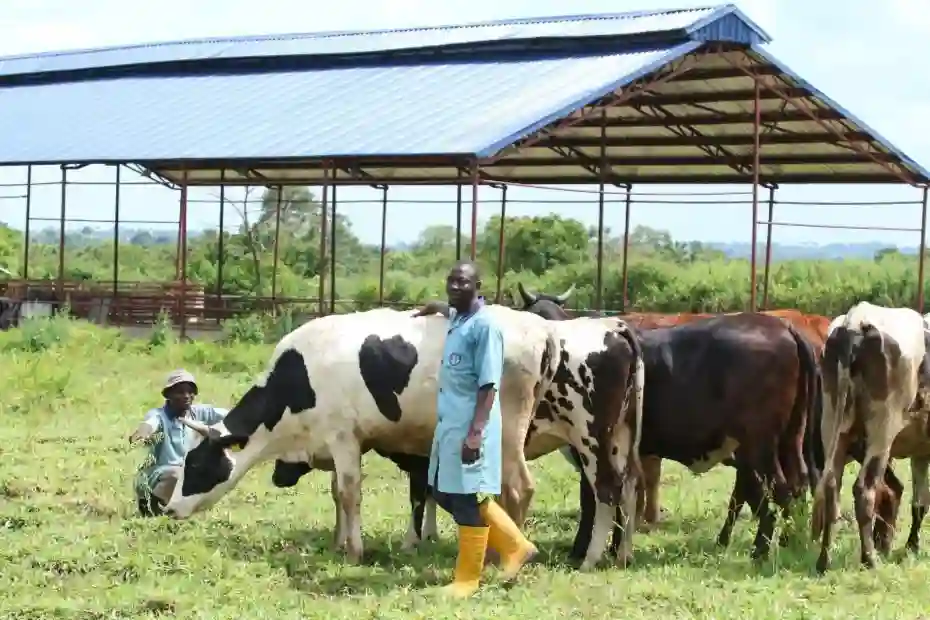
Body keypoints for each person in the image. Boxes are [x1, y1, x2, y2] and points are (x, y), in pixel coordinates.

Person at [425, 260, 537, 598]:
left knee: (467, 498)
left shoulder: (486, 328)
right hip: (450, 423)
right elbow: (451, 308)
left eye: (463, 282)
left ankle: (467, 578)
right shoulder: (460, 317)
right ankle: (516, 544)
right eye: (451, 281)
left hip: (472, 425)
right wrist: (435, 308)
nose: (455, 286)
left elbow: (489, 386)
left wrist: (475, 433)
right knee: (444, 491)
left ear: (478, 286)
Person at [129, 369, 228, 516]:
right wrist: (142, 433)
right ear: (168, 395)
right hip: (160, 475)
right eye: (180, 392)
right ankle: (150, 507)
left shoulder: (199, 413)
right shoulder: (159, 415)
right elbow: (149, 424)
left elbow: (232, 415)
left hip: (187, 473)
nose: (186, 396)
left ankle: (182, 509)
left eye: (190, 392)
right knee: (175, 474)